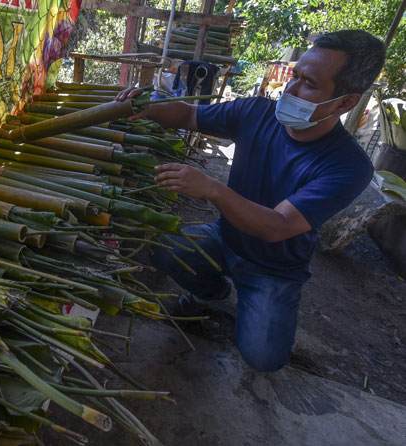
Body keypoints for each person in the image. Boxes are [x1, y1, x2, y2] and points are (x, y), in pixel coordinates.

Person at [116, 30, 386, 372]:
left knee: (263, 357)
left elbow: (279, 226)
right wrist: (147, 105)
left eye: (309, 84)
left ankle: (260, 301)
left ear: (346, 102)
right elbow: (188, 116)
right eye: (295, 76)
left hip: (274, 267)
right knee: (165, 247)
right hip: (225, 237)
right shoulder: (257, 113)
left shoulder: (348, 166)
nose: (291, 89)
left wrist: (212, 188)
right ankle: (212, 293)